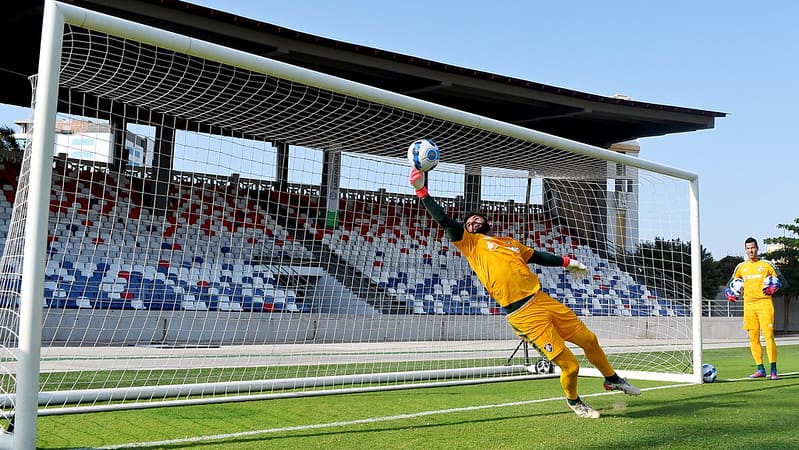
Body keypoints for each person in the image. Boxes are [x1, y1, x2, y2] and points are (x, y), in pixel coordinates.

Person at [409, 168, 640, 419]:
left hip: (542, 300)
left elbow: (537, 256)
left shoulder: (510, 243)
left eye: (475, 219)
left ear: (486, 222)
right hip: (523, 314)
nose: (471, 223)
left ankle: (612, 378)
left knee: (590, 339)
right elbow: (444, 220)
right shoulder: (470, 244)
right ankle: (574, 401)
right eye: (468, 223)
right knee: (571, 366)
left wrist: (567, 261)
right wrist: (422, 192)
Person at [725, 237, 786, 380]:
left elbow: (782, 281)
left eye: (752, 247)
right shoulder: (741, 267)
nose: (750, 250)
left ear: (757, 248)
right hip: (748, 305)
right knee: (753, 337)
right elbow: (730, 285)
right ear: (745, 250)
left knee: (769, 336)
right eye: (748, 248)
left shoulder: (767, 265)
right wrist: (729, 293)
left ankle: (773, 370)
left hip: (764, 303)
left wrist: (775, 287)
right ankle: (760, 369)